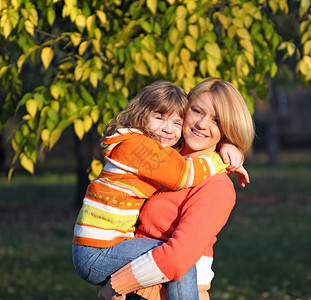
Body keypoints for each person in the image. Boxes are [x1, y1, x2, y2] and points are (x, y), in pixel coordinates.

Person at [72, 80, 247, 300]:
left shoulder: (216, 186)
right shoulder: (160, 157)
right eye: (197, 111)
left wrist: (116, 286)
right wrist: (222, 151)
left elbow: (177, 260)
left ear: (228, 129)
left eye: (217, 121)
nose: (202, 124)